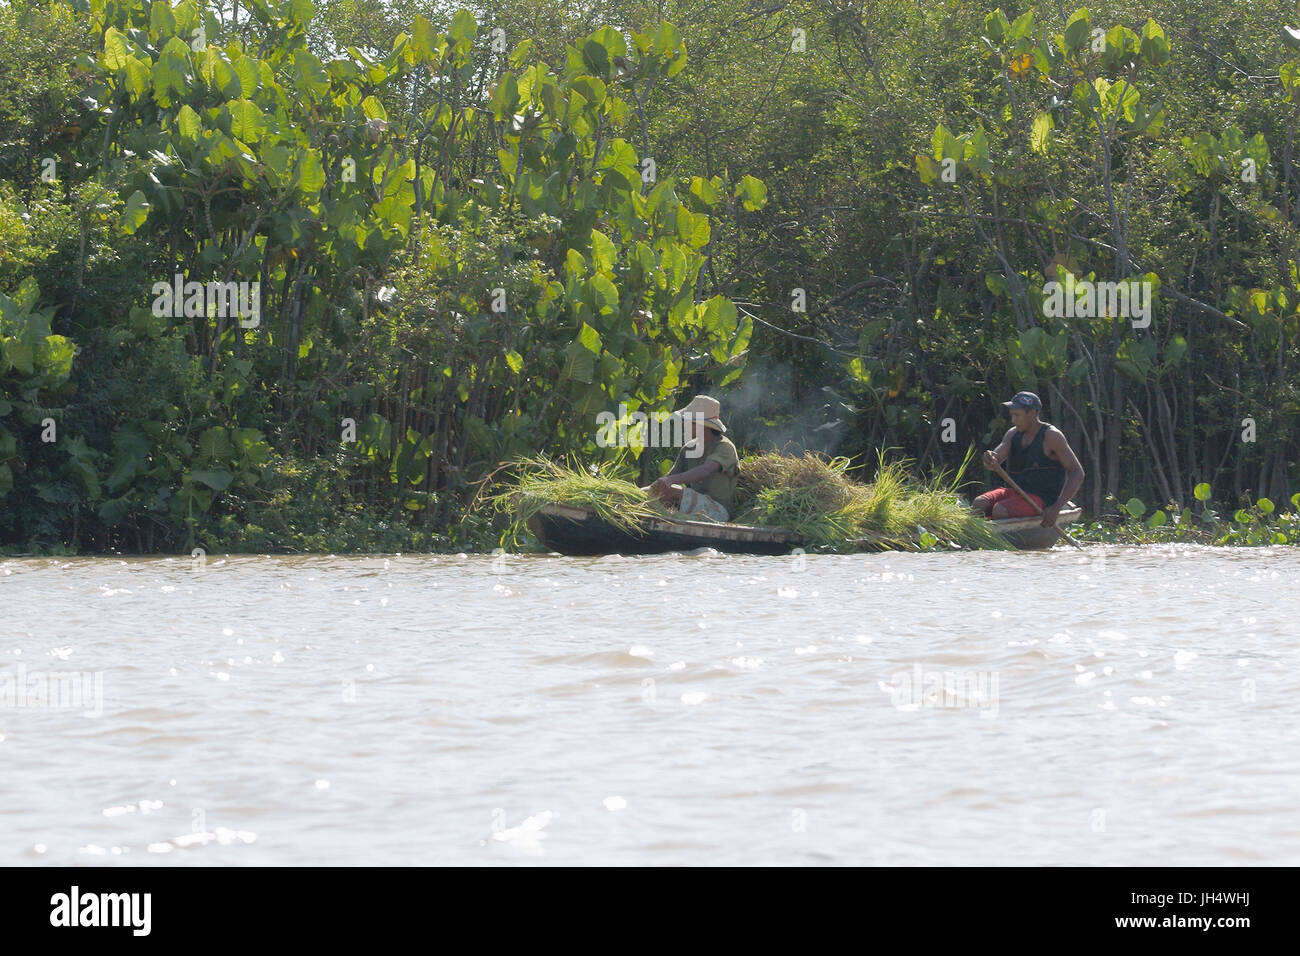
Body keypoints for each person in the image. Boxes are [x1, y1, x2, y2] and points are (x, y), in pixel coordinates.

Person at [974, 391, 1084, 528]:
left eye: (1017, 415)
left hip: (1042, 499)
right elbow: (995, 459)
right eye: (1012, 415)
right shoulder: (1013, 434)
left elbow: (1077, 472)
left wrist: (1056, 507)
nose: (1013, 420)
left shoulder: (1051, 436)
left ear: (1032, 414)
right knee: (979, 504)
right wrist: (990, 459)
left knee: (1000, 510)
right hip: (1016, 492)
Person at [642, 395, 739, 522]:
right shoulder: (688, 448)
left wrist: (670, 481)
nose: (683, 424)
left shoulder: (724, 447)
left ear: (701, 425)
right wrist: (641, 493)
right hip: (693, 507)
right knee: (660, 493)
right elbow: (665, 482)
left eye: (687, 421)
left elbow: (706, 470)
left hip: (717, 511)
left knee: (672, 490)